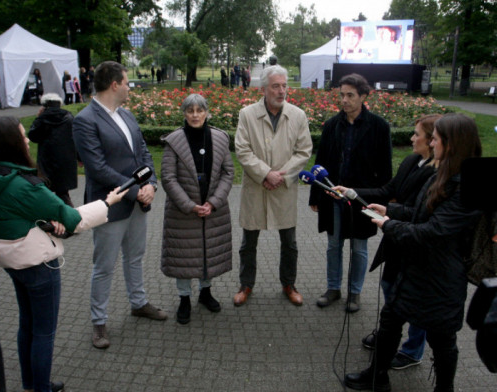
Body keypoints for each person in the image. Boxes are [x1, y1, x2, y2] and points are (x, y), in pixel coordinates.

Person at [0, 116, 128, 392]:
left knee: (27, 323)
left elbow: (17, 214)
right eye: (21, 135)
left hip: (11, 260)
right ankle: (40, 387)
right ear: (8, 144)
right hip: (36, 264)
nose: (27, 139)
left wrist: (46, 224)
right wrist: (107, 202)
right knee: (44, 331)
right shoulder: (24, 186)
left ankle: (31, 383)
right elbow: (72, 218)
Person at [342, 113, 483, 392]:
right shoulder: (442, 174)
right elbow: (420, 214)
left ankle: (444, 388)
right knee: (390, 321)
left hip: (440, 280)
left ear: (451, 144)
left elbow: (432, 233)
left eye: (435, 138)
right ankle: (377, 376)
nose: (430, 142)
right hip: (415, 270)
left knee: (442, 341)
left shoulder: (465, 186)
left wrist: (390, 225)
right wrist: (389, 210)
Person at [72, 61, 167, 350]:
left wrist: (150, 184)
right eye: (126, 81)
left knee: (135, 257)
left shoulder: (127, 115)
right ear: (114, 84)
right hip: (109, 206)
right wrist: (136, 190)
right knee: (104, 266)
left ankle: (138, 303)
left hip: (137, 202)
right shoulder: (85, 120)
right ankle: (99, 323)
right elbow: (97, 168)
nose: (129, 86)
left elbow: (142, 153)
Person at [357, 114, 442, 370]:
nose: (412, 138)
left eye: (417, 134)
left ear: (433, 140)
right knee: (389, 285)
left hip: (415, 244)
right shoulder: (412, 160)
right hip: (396, 238)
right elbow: (388, 191)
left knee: (415, 298)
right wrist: (351, 191)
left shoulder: (438, 174)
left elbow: (417, 211)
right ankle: (388, 334)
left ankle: (412, 350)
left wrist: (390, 212)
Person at [308, 73, 392, 313]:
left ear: (363, 97)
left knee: (359, 248)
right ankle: (333, 288)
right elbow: (320, 161)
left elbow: (385, 169)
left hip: (362, 198)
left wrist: (379, 201)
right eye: (341, 95)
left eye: (350, 95)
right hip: (333, 196)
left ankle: (354, 293)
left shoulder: (379, 126)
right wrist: (316, 196)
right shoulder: (333, 125)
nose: (344, 100)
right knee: (334, 245)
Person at [233, 65, 313, 307]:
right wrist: (266, 173)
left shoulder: (297, 115)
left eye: (284, 86)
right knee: (249, 242)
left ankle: (289, 284)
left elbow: (304, 151)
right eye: (275, 86)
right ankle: (246, 284)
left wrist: (281, 176)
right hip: (256, 188)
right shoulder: (247, 114)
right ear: (263, 88)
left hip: (283, 188)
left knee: (290, 242)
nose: (281, 91)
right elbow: (242, 150)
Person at [161, 94, 234, 324]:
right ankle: (184, 299)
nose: (195, 115)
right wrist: (189, 206)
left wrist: (214, 201)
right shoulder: (174, 141)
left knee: (207, 251)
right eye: (190, 110)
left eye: (199, 110)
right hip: (184, 213)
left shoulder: (220, 138)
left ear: (206, 112)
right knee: (184, 257)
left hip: (213, 208)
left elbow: (228, 173)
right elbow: (168, 178)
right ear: (184, 113)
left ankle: (205, 292)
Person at [28, 93, 77, 207]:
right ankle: (71, 217)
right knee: (63, 193)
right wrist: (79, 157)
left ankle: (48, 218)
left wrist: (38, 118)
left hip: (47, 160)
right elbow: (76, 138)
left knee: (45, 191)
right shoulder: (69, 117)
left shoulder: (42, 119)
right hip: (65, 160)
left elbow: (33, 136)